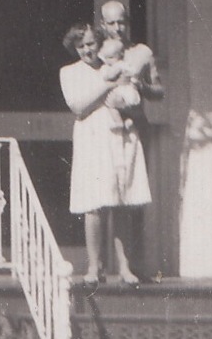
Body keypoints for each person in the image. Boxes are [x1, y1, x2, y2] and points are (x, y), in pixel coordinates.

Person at [60, 21, 150, 290]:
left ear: (99, 44)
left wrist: (126, 102)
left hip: (119, 138)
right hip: (91, 138)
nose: (87, 49)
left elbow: (135, 104)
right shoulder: (70, 72)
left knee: (121, 202)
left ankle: (125, 267)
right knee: (94, 204)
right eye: (81, 45)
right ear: (74, 48)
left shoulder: (114, 64)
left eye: (91, 43)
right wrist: (108, 84)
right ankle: (94, 266)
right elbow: (78, 105)